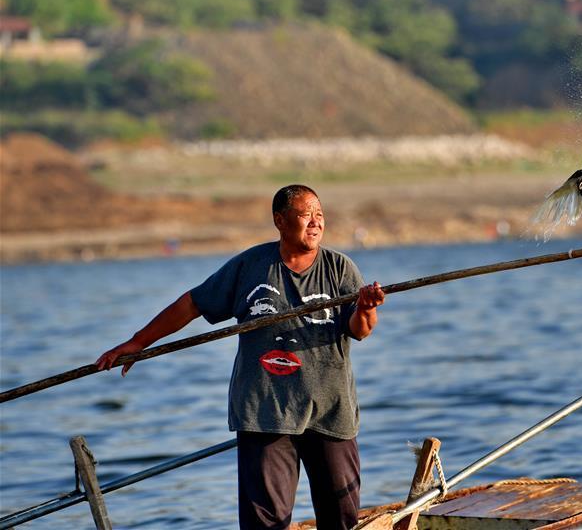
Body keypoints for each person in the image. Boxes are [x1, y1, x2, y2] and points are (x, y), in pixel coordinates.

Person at [95, 184, 385, 530]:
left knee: (342, 520)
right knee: (266, 523)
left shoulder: (340, 268)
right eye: (305, 214)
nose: (315, 222)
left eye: (319, 214)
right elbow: (193, 303)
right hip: (264, 412)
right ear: (280, 220)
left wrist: (366, 307)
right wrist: (138, 341)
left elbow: (360, 329)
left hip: (330, 412)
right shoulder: (250, 267)